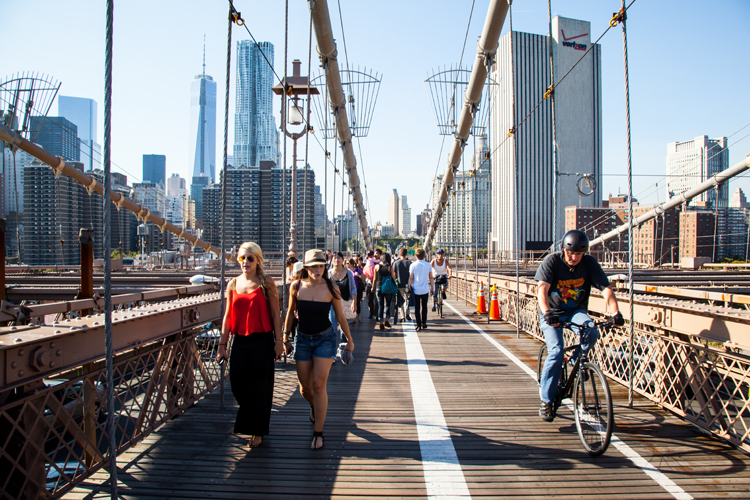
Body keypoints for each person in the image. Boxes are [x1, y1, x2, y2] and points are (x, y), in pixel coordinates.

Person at [535, 229, 624, 422]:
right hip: (552, 312)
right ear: (563, 250)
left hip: (576, 311)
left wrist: (615, 313)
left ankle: (576, 360)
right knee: (556, 351)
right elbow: (542, 290)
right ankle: (546, 400)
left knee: (592, 332)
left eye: (578, 254)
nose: (574, 257)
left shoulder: (589, 263)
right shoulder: (552, 261)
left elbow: (606, 289)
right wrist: (547, 313)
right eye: (570, 253)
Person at [284, 249, 354, 450]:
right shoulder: (296, 286)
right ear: (306, 267)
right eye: (314, 266)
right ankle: (315, 406)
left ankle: (319, 432)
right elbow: (289, 313)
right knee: (304, 389)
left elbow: (340, 317)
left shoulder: (331, 287)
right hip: (302, 339)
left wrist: (350, 340)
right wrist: (285, 337)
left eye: (321, 266)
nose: (318, 269)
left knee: (318, 386)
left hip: (325, 338)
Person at [217, 242, 284, 448]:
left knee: (261, 387)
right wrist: (222, 344)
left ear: (257, 260)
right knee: (238, 383)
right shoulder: (232, 284)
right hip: (240, 340)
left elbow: (275, 314)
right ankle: (252, 421)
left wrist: (279, 341)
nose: (245, 262)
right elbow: (228, 316)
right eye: (242, 258)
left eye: (249, 258)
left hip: (262, 340)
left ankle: (257, 431)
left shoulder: (266, 283)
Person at [329, 252, 357, 331]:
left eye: (339, 258)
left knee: (344, 327)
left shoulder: (348, 273)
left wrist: (354, 302)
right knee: (332, 326)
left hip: (345, 303)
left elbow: (353, 288)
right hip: (332, 304)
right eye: (334, 258)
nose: (336, 260)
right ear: (331, 260)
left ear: (342, 260)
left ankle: (345, 339)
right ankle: (334, 339)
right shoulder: (328, 274)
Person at [409, 248, 433, 331]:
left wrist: (408, 287)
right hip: (425, 289)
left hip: (416, 290)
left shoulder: (413, 265)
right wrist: (432, 288)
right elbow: (431, 277)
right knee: (424, 307)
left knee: (417, 308)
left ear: (416, 255)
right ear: (424, 255)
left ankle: (418, 325)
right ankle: (424, 322)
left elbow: (411, 278)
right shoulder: (428, 265)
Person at [372, 252, 397, 330]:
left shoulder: (376, 266)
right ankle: (387, 320)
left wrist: (373, 287)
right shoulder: (390, 267)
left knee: (380, 305)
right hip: (388, 288)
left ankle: (381, 322)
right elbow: (393, 278)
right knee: (388, 304)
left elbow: (375, 278)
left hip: (379, 288)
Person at [393, 247, 412, 322]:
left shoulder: (396, 263)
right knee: (408, 299)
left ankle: (402, 316)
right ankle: (407, 313)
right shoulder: (410, 263)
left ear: (400, 254)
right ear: (406, 254)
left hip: (399, 284)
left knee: (400, 300)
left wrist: (394, 284)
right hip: (408, 285)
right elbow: (411, 275)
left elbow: (394, 275)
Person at [348, 258, 366, 323]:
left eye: (347, 263)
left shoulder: (357, 270)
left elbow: (364, 277)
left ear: (351, 264)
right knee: (350, 303)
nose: (346, 264)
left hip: (357, 289)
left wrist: (358, 275)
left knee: (357, 303)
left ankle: (359, 316)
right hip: (349, 290)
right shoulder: (346, 271)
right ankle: (353, 318)